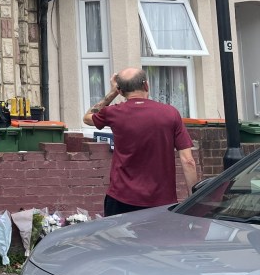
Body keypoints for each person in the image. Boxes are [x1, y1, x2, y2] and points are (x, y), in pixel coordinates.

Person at [84, 67, 198, 217]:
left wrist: (113, 92)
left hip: (120, 199)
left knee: (118, 241)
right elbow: (188, 161)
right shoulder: (171, 113)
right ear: (146, 85)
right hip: (161, 201)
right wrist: (195, 202)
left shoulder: (113, 113)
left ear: (121, 91)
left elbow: (87, 117)